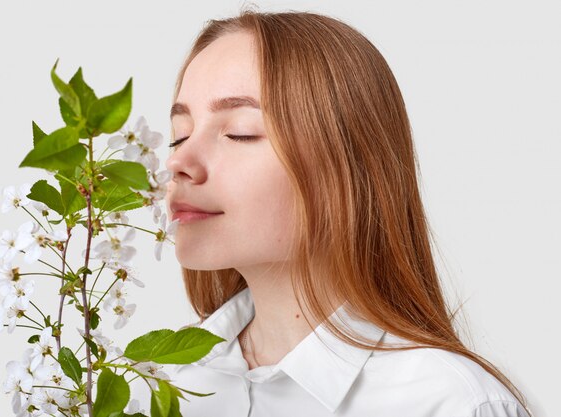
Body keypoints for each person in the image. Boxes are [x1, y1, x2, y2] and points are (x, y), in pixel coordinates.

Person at [162, 8, 532, 417]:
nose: (179, 162)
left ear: (348, 167)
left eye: (239, 132)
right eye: (179, 136)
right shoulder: (158, 381)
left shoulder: (449, 403)